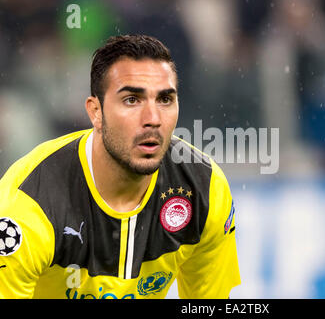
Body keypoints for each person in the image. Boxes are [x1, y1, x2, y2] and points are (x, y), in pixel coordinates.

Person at [0, 35, 240, 299]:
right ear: (96, 112)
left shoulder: (204, 188)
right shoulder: (29, 203)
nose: (153, 119)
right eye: (132, 100)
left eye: (165, 100)